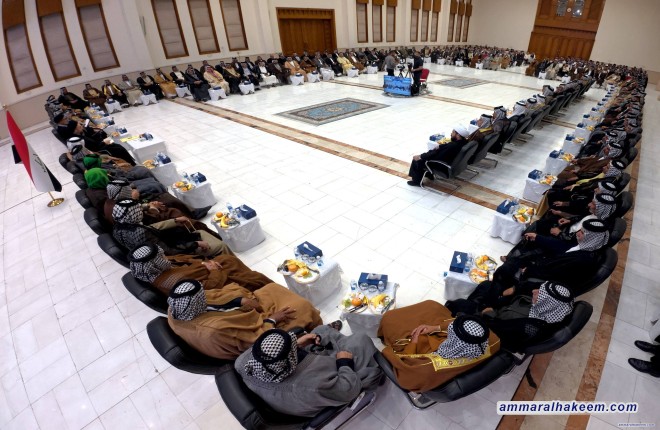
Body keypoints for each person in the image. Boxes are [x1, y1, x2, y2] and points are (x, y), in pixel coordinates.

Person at [236, 326, 382, 417]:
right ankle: (377, 369)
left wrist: (296, 344)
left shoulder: (242, 362)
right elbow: (347, 390)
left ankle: (337, 340)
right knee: (360, 339)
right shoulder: (310, 385)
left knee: (319, 331)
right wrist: (344, 363)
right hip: (318, 389)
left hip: (293, 389)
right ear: (289, 360)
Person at [166, 280, 323, 360]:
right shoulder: (215, 330)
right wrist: (272, 320)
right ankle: (318, 334)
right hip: (261, 335)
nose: (205, 296)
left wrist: (239, 300)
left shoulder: (175, 309)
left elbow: (214, 297)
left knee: (271, 288)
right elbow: (254, 342)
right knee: (301, 306)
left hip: (244, 318)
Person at [378, 303, 500, 392]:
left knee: (390, 319)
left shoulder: (425, 369)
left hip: (424, 354)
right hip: (440, 343)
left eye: (452, 332)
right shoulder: (492, 341)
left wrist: (414, 341)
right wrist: (436, 328)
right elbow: (456, 323)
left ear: (455, 341)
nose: (451, 327)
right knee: (432, 305)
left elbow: (404, 367)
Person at [129, 244, 272, 295]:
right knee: (256, 278)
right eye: (161, 257)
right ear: (154, 264)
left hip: (208, 269)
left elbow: (182, 259)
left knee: (227, 259)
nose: (165, 257)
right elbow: (208, 288)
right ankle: (268, 288)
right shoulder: (170, 283)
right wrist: (214, 270)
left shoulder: (157, 266)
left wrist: (204, 263)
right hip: (218, 282)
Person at [112, 199, 232, 257]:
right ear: (133, 214)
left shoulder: (120, 226)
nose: (141, 211)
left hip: (166, 244)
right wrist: (196, 244)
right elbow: (169, 251)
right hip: (177, 254)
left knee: (188, 224)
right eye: (138, 210)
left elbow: (150, 228)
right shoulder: (141, 233)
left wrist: (174, 221)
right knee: (221, 246)